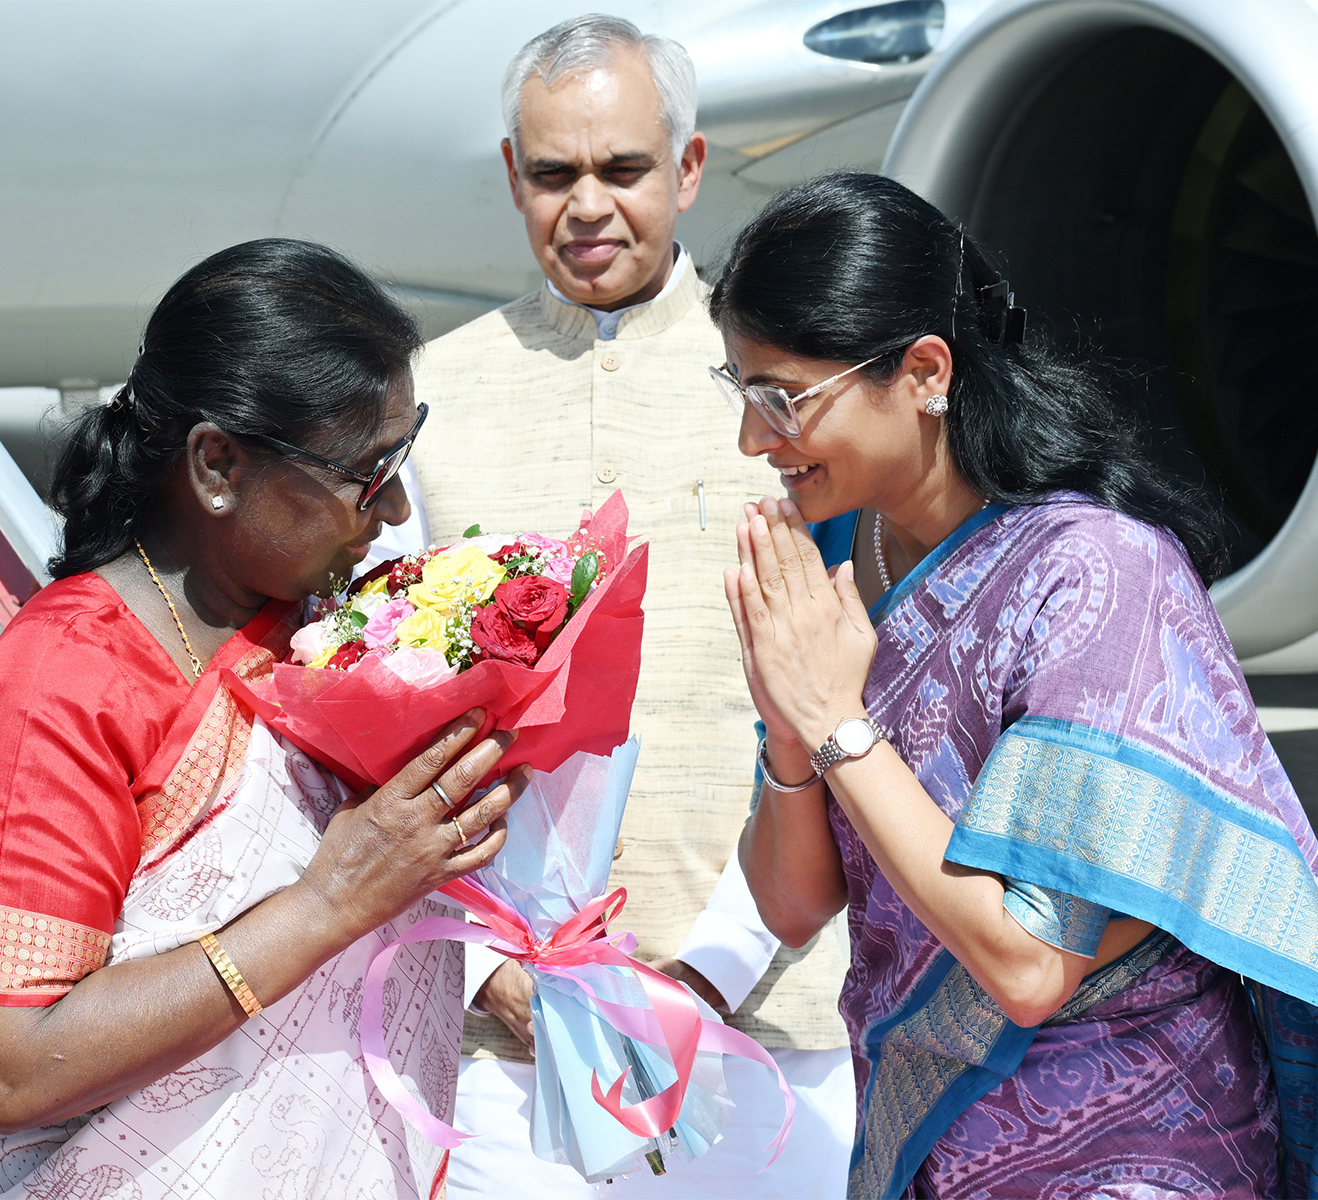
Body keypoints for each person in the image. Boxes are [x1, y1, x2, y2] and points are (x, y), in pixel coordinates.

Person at [711, 173, 1318, 1199]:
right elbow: (791, 906)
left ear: (923, 371)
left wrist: (835, 722)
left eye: (782, 398)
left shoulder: (1095, 574)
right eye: (738, 390)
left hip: (1133, 1141)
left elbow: (1026, 965)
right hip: (928, 1141)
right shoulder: (832, 560)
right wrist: (793, 730)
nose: (752, 439)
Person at [0, 239, 528, 1200]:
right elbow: (1, 1065)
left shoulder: (325, 628)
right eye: (367, 471)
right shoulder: (66, 677)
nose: (395, 508)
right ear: (218, 464)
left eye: (402, 457)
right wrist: (328, 906)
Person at [407, 14, 854, 1198]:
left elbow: (842, 695)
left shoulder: (787, 393)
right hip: (503, 1029)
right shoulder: (427, 402)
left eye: (623, 169)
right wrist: (475, 970)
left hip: (765, 1013)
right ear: (513, 178)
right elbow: (383, 723)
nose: (588, 206)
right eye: (553, 175)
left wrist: (713, 966)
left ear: (689, 169)